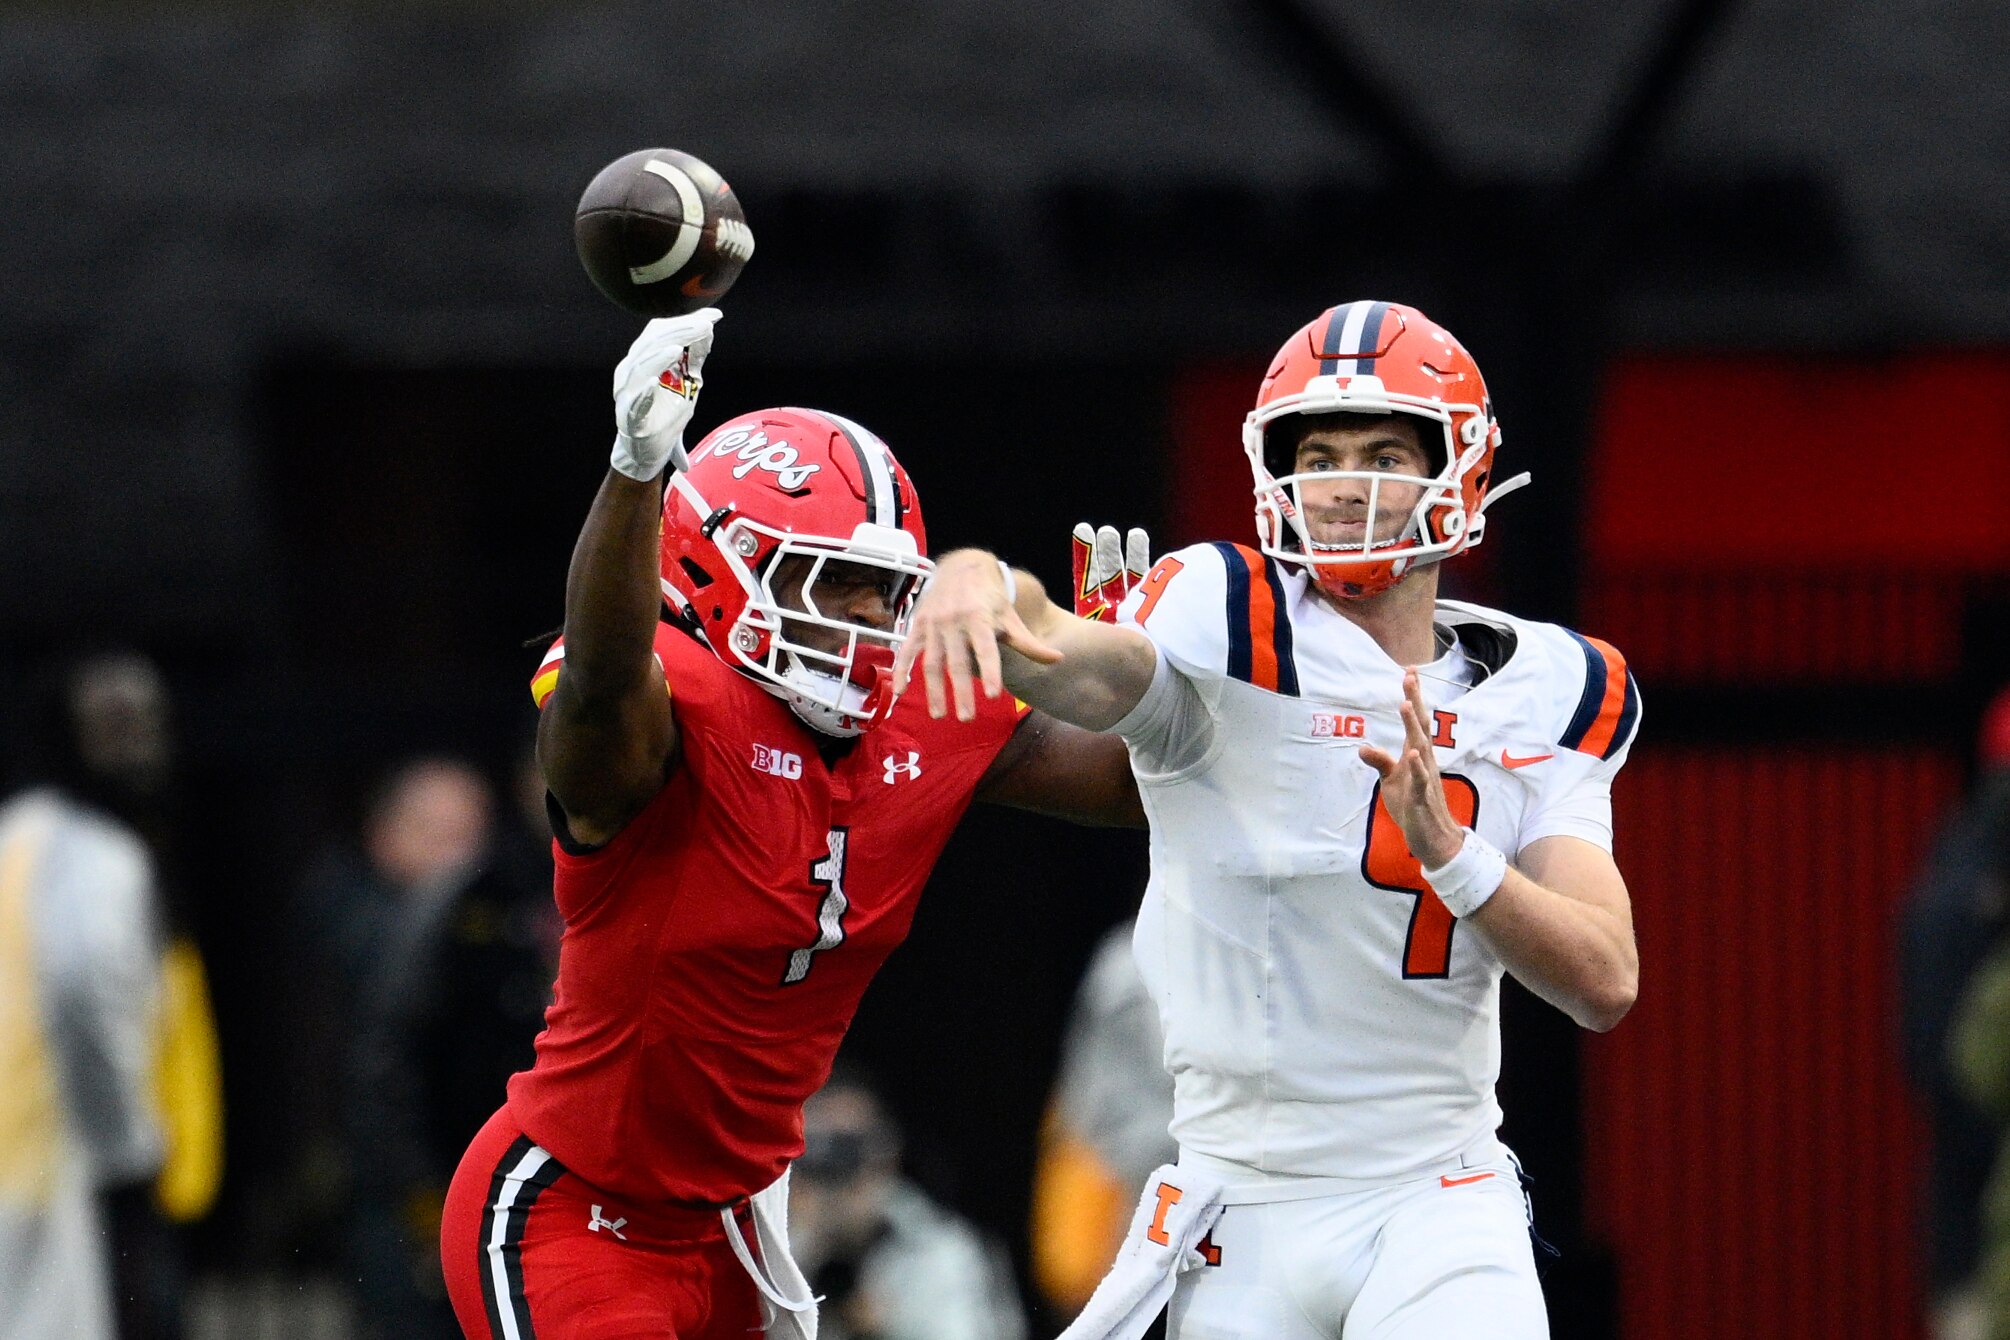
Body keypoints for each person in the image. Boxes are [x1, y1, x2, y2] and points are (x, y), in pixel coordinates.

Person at [897, 300, 1642, 1339]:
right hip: (1239, 1205)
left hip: (1437, 1191)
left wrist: (1456, 857)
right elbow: (1065, 648)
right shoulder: (1224, 610)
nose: (1345, 482)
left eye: (1385, 450)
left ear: (1462, 467)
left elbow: (1604, 977)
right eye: (1322, 451)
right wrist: (980, 581)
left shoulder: (1548, 686)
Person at [438, 309, 1141, 1340]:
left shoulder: (923, 708)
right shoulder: (674, 707)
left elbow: (1136, 784)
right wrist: (635, 469)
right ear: (719, 571)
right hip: (577, 1208)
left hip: (740, 1225)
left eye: (883, 591)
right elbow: (594, 689)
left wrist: (1140, 681)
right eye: (830, 582)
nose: (862, 623)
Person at [0, 653, 173, 1340]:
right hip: (50, 1173)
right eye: (117, 724)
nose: (141, 745)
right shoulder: (95, 856)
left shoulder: (16, 837)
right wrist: (126, 1151)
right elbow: (80, 985)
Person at [789, 1065, 1026, 1340]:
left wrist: (884, 1326)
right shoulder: (771, 1248)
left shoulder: (943, 1250)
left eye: (846, 1148)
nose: (835, 1170)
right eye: (816, 1149)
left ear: (887, 1155)